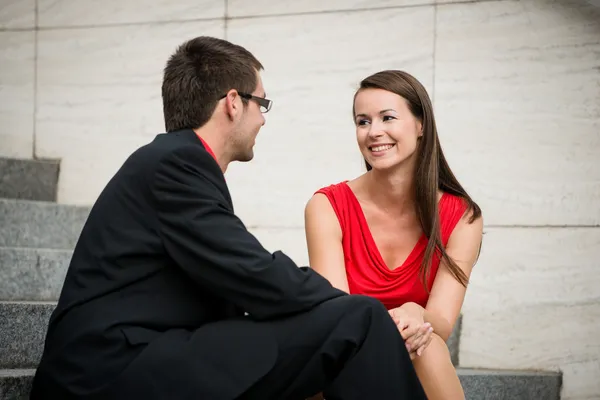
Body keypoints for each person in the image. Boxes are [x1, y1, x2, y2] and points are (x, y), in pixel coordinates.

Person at [29, 38, 427, 400]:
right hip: (110, 372)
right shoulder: (176, 164)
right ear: (234, 103)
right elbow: (252, 272)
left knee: (346, 325)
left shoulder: (175, 162)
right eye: (262, 104)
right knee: (360, 320)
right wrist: (347, 305)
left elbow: (232, 281)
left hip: (152, 354)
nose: (263, 120)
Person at [304, 70, 484, 400]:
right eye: (362, 121)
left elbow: (441, 321)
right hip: (345, 350)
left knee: (427, 343)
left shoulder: (462, 217)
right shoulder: (327, 206)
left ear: (421, 126)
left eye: (387, 117)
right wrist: (395, 324)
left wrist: (417, 314)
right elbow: (338, 315)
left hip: (416, 350)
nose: (374, 132)